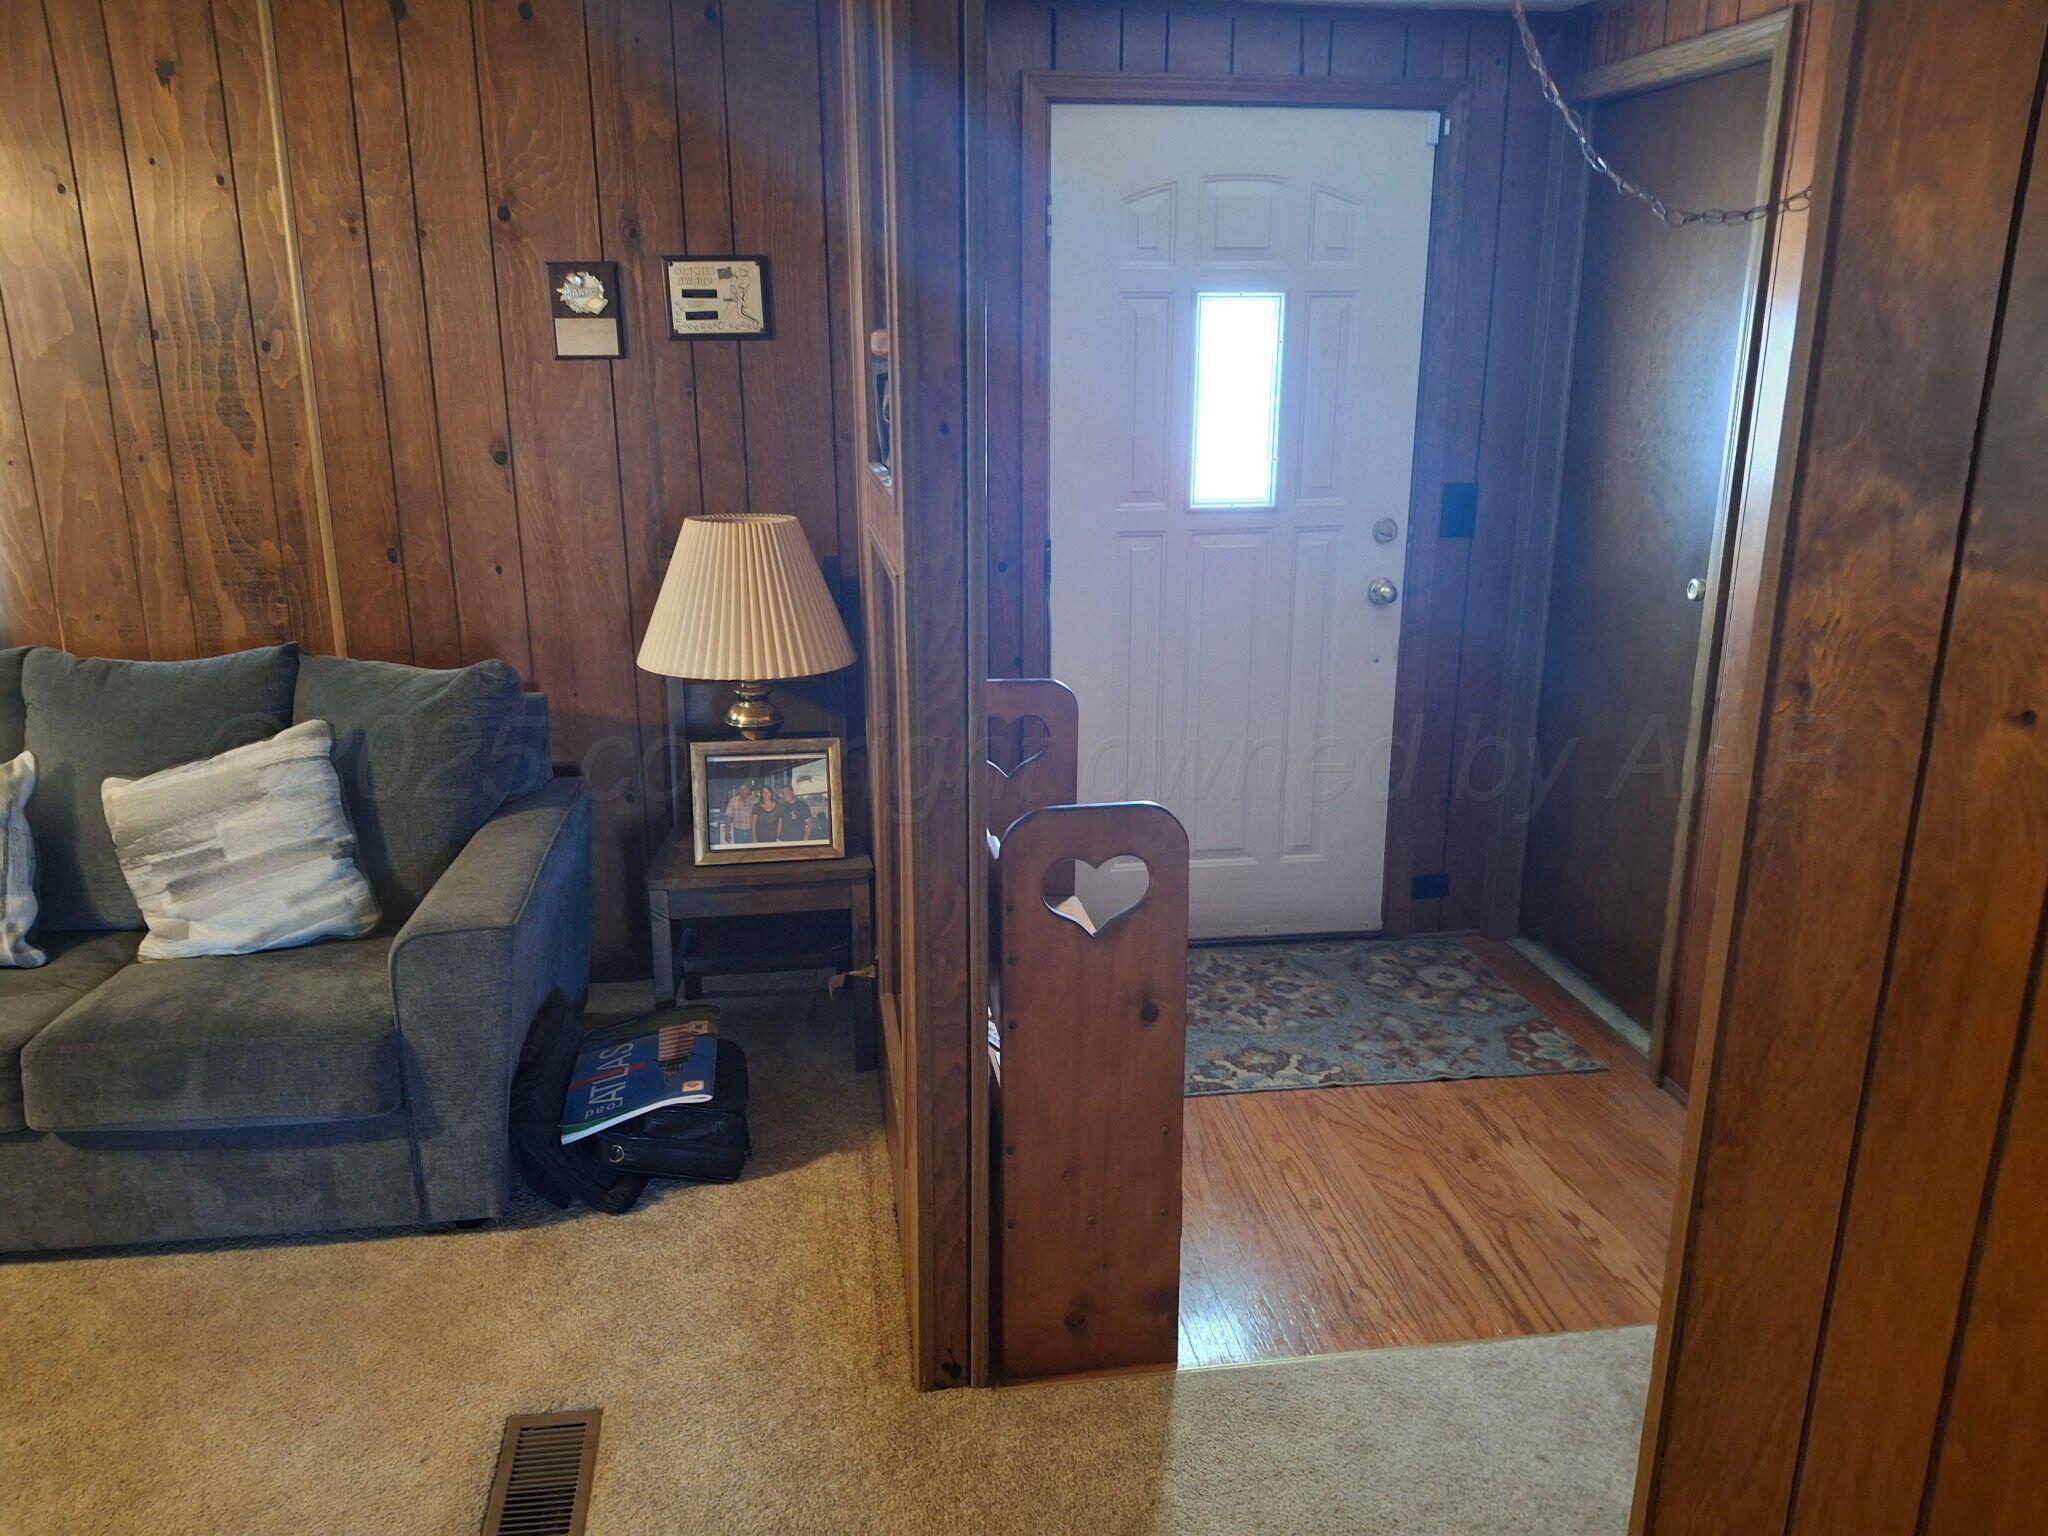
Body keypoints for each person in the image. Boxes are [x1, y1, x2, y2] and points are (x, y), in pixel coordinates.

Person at [723, 780, 755, 845]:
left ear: (749, 790)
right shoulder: (733, 800)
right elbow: (728, 817)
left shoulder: (754, 800)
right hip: (739, 833)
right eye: (741, 789)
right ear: (739, 791)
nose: (743, 791)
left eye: (745, 789)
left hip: (752, 832)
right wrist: (727, 833)